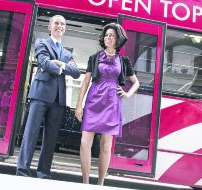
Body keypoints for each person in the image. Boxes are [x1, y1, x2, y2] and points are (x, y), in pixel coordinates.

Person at [16, 15, 81, 178]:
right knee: (31, 133)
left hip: (58, 99)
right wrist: (62, 67)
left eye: (63, 24)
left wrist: (61, 64)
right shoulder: (41, 42)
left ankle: (43, 172)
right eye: (57, 23)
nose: (60, 26)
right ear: (50, 26)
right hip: (40, 94)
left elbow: (76, 73)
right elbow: (44, 62)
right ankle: (22, 170)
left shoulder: (67, 53)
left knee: (51, 138)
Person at [75, 23, 139, 185]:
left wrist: (127, 94)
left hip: (112, 103)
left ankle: (101, 183)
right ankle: (85, 182)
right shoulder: (94, 58)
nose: (108, 37)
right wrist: (79, 105)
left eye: (111, 35)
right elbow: (85, 82)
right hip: (93, 101)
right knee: (84, 142)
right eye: (106, 35)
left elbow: (135, 82)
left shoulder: (124, 61)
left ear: (118, 38)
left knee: (105, 145)